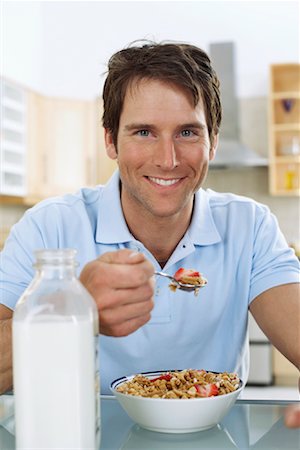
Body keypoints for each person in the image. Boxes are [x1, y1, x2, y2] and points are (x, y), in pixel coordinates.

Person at [0, 41, 299, 397]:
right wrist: (76, 310)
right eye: (144, 132)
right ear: (111, 141)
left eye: (187, 132)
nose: (168, 159)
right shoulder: (47, 228)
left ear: (213, 142)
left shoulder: (250, 226)